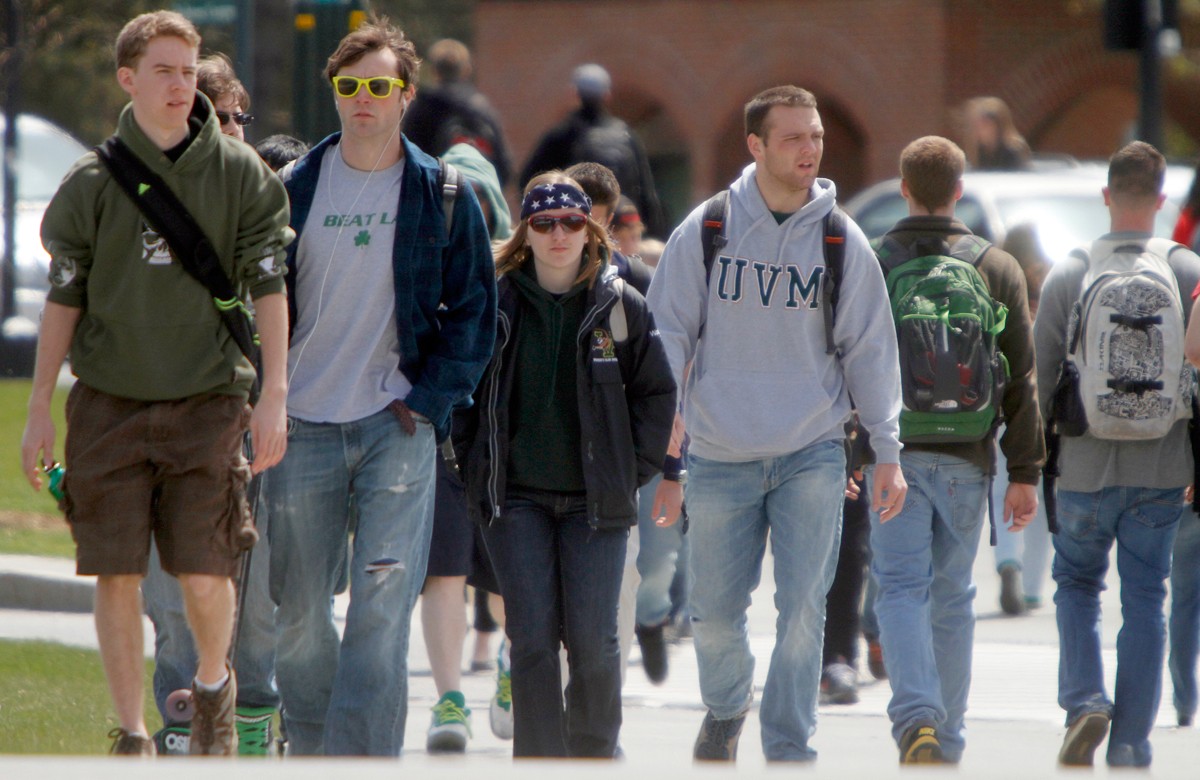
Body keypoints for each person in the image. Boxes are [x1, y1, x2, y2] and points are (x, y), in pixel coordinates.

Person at [20, 10, 292, 756]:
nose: (179, 84)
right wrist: (39, 409)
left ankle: (212, 686)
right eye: (164, 70)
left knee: (205, 572)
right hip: (108, 402)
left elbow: (270, 286)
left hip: (208, 400)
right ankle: (133, 733)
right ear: (128, 78)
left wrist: (274, 396)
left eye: (187, 69)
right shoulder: (89, 183)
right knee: (114, 573)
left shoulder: (241, 176)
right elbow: (62, 302)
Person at [646, 85, 906, 763]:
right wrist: (666, 414)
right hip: (719, 452)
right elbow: (667, 331)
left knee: (804, 610)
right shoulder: (706, 230)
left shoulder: (839, 237)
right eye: (792, 137)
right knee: (711, 614)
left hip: (811, 451)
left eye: (814, 135)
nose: (809, 148)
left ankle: (790, 744)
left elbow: (870, 348)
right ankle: (728, 705)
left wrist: (886, 448)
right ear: (755, 146)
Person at [264, 16, 496, 757]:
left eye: (379, 86)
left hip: (395, 426)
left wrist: (424, 403)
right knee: (299, 611)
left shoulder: (445, 194)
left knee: (381, 608)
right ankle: (309, 747)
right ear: (333, 92)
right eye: (349, 85)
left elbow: (474, 317)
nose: (363, 99)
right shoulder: (289, 190)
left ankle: (358, 760)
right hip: (301, 424)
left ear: (405, 95)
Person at [454, 171, 676, 757]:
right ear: (526, 231)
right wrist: (470, 463)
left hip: (595, 502)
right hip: (516, 499)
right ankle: (540, 760)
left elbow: (657, 393)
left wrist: (631, 468)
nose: (559, 234)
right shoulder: (495, 300)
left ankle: (593, 755)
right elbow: (463, 390)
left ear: (591, 229)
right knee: (530, 640)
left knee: (596, 643)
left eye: (572, 222)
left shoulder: (620, 303)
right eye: (545, 222)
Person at [869, 136, 1042, 764]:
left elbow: (847, 361)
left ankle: (916, 714)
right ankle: (949, 736)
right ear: (960, 190)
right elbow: (1020, 376)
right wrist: (1024, 471)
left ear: (904, 185)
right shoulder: (996, 267)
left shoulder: (876, 259)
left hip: (893, 456)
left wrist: (852, 451)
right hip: (969, 459)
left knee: (899, 588)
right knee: (954, 597)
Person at [135, 48, 282, 757]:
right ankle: (177, 737)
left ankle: (249, 729)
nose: (231, 129)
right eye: (214, 116)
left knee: (252, 604)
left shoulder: (264, 203)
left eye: (238, 118)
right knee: (169, 600)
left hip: (249, 431)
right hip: (160, 428)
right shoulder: (137, 201)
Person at [1037, 140, 1200, 769]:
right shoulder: (1187, 273)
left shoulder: (1070, 270)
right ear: (1162, 201)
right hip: (1162, 471)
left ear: (1106, 196)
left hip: (1082, 466)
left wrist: (1032, 467)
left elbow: (1042, 374)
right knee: (1147, 599)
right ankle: (1131, 741)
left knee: (1076, 584)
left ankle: (1084, 702)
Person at [563, 161, 684, 685]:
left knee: (641, 575)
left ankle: (647, 624)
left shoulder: (637, 284)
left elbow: (665, 375)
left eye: (588, 219)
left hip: (626, 459)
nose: (571, 232)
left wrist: (664, 459)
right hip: (557, 461)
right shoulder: (530, 278)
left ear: (609, 221)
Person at [418, 141, 510, 754]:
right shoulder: (420, 263)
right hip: (438, 439)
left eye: (475, 205)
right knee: (442, 572)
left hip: (502, 449)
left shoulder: (518, 276)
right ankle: (449, 696)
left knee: (505, 580)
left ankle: (513, 664)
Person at [519, 64, 666, 239]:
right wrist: (654, 237)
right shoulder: (626, 134)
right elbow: (647, 192)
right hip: (624, 232)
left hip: (577, 230)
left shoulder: (562, 135)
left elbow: (527, 182)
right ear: (607, 95)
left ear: (574, 93)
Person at [401, 38, 513, 188]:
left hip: (434, 197)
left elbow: (407, 157)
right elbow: (504, 167)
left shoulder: (422, 107)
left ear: (434, 71)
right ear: (466, 70)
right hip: (478, 199)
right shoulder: (481, 108)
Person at [964, 96, 1030, 172]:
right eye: (977, 126)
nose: (980, 130)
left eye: (985, 125)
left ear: (998, 127)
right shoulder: (978, 151)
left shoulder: (1012, 152)